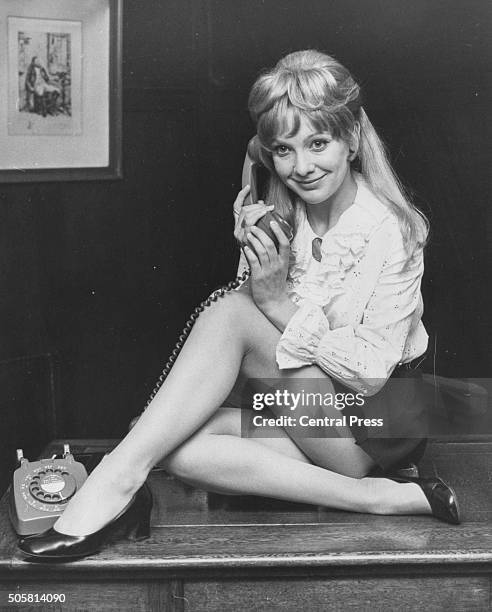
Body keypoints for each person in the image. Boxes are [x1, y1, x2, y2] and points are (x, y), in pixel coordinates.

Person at [19, 50, 460, 560]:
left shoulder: (393, 231)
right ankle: (369, 498)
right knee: (184, 448)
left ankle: (116, 478)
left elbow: (369, 376)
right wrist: (255, 243)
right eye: (283, 150)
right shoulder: (282, 209)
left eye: (319, 143)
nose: (302, 167)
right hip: (317, 420)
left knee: (231, 315)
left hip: (375, 427)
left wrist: (272, 298)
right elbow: (247, 345)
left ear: (353, 138)